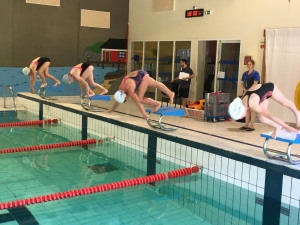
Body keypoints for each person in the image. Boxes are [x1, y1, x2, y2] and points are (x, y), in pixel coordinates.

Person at [229, 82, 300, 139]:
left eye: (241, 117)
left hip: (269, 88)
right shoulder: (242, 101)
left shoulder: (252, 104)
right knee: (261, 118)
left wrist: (287, 127)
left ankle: (297, 114)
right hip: (261, 94)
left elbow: (271, 116)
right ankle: (277, 127)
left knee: (284, 103)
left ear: (241, 112)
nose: (242, 118)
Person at [107, 70, 175, 118]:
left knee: (140, 99)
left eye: (125, 100)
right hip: (139, 74)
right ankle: (171, 94)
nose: (127, 100)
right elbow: (118, 100)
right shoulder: (120, 90)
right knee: (155, 84)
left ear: (125, 97)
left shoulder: (129, 90)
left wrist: (144, 114)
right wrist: (112, 109)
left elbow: (138, 102)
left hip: (141, 77)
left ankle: (157, 104)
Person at [240, 59, 261, 131]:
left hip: (254, 93)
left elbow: (255, 83)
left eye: (250, 64)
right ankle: (246, 124)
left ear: (253, 65)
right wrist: (245, 90)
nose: (249, 66)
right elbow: (242, 83)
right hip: (246, 93)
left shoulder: (256, 73)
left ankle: (252, 125)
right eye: (248, 64)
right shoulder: (245, 74)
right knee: (247, 109)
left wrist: (248, 91)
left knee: (252, 109)